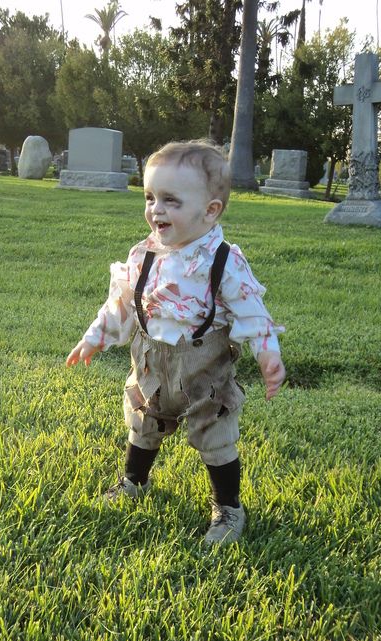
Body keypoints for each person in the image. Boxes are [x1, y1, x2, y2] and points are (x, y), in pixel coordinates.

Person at [66, 140, 285, 546]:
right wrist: (94, 337)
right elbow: (120, 304)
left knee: (214, 434)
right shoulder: (144, 254)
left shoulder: (223, 260)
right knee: (144, 420)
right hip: (151, 360)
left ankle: (228, 508)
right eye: (150, 197)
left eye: (170, 200)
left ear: (210, 210)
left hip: (204, 366)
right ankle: (134, 480)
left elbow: (252, 309)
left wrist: (267, 352)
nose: (156, 210)